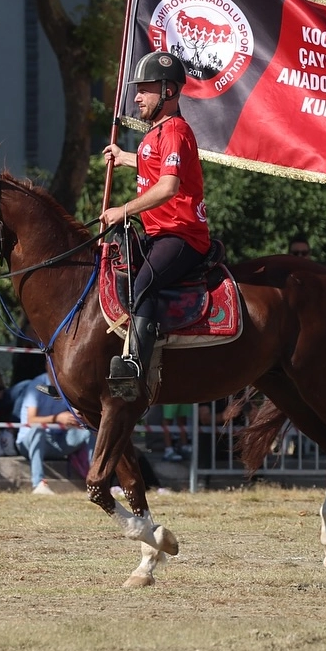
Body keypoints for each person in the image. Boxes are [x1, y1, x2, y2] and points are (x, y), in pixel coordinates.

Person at [100, 50, 212, 402]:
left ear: (168, 91)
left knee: (143, 282)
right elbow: (153, 167)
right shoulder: (156, 133)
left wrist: (124, 209)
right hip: (158, 233)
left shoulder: (176, 131)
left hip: (183, 234)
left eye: (145, 90)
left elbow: (169, 186)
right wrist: (124, 158)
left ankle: (135, 366)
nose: (137, 96)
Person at [17, 387, 92, 494]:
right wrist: (57, 418)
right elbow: (31, 420)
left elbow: (78, 414)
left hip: (58, 441)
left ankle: (95, 480)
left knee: (90, 430)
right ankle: (38, 483)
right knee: (38, 428)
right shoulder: (35, 387)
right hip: (30, 443)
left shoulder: (67, 385)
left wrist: (78, 418)